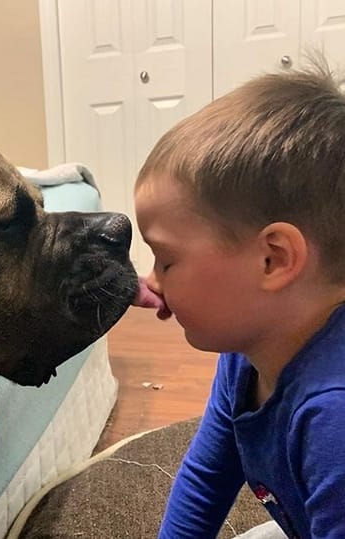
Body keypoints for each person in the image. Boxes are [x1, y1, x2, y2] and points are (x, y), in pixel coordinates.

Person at [132, 58, 345, 538]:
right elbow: (207, 478)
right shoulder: (247, 356)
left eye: (166, 260)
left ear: (273, 259)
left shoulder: (334, 416)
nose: (153, 281)